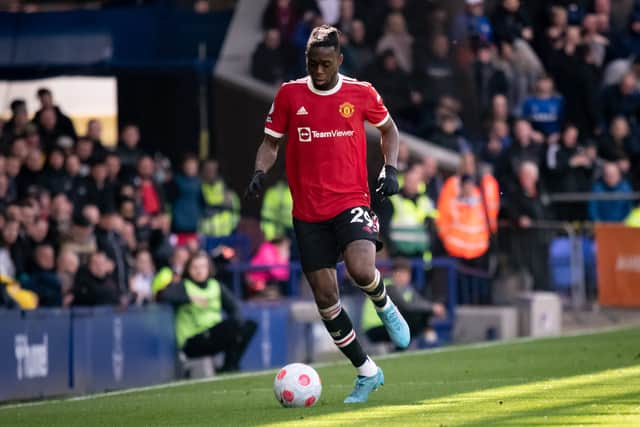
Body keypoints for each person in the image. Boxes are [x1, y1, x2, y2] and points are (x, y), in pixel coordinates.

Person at [245, 25, 410, 403]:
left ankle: (384, 303)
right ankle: (367, 371)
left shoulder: (360, 92)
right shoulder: (289, 94)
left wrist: (391, 168)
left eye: (325, 64)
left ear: (339, 60)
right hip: (307, 211)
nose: (318, 71)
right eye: (312, 64)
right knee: (324, 297)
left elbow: (390, 131)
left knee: (362, 269)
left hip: (351, 199)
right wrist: (259, 171)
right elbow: (270, 143)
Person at [157, 251, 257, 373]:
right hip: (193, 340)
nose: (199, 271)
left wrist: (239, 329)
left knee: (249, 325)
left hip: (214, 334)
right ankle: (229, 367)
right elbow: (164, 295)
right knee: (231, 327)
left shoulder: (215, 285)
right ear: (188, 269)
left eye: (203, 267)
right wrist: (188, 298)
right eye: (195, 267)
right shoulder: (184, 285)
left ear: (209, 268)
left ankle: (230, 365)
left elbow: (234, 308)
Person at [362, 258, 446, 348]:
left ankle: (429, 340)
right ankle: (430, 341)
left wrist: (433, 308)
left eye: (405, 274)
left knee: (422, 314)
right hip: (375, 327)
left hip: (389, 325)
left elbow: (419, 303)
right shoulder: (387, 287)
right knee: (415, 317)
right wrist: (432, 307)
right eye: (399, 273)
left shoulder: (408, 290)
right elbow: (406, 306)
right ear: (393, 274)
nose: (402, 277)